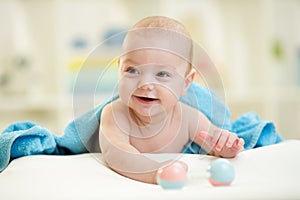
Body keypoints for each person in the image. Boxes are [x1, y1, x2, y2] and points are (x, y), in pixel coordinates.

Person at [99, 16, 244, 184]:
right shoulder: (116, 114)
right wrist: (155, 172)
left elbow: (214, 143)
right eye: (132, 70)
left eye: (162, 74)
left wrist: (226, 146)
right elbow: (117, 153)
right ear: (119, 69)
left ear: (185, 83)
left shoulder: (188, 118)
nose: (145, 84)